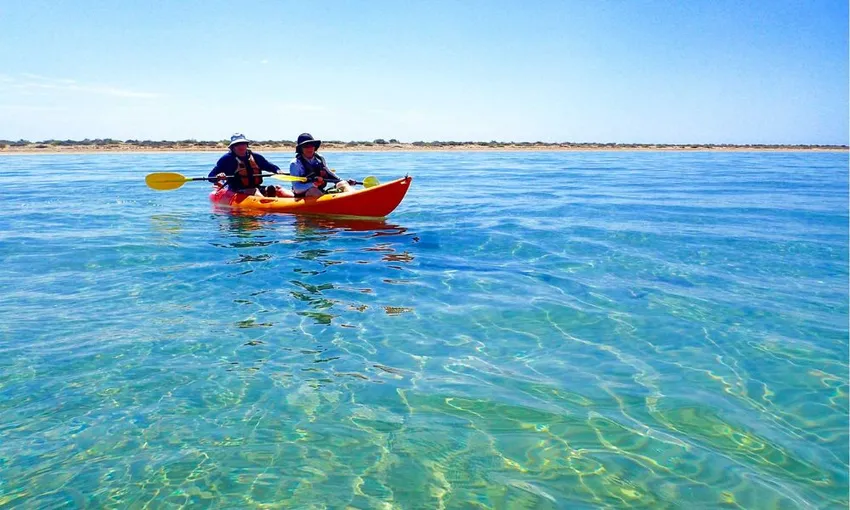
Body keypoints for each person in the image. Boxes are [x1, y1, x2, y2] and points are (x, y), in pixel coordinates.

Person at [208, 133, 292, 197]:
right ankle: (269, 206)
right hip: (236, 190)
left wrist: (277, 170)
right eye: (237, 144)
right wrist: (218, 177)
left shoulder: (256, 157)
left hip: (256, 187)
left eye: (243, 143)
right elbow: (211, 176)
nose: (241, 146)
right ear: (232, 147)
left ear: (246, 145)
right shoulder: (226, 159)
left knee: (275, 188)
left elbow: (269, 166)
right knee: (254, 191)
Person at [289, 133, 356, 198]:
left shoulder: (320, 158)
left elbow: (329, 173)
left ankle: (356, 198)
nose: (309, 149)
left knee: (342, 184)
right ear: (301, 149)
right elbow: (297, 189)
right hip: (304, 194)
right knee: (313, 190)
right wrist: (313, 184)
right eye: (306, 146)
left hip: (320, 191)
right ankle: (329, 206)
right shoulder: (295, 164)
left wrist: (343, 181)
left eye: (311, 145)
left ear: (315, 147)